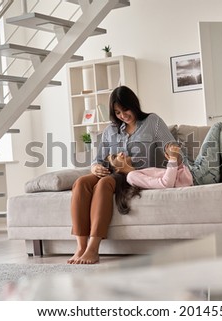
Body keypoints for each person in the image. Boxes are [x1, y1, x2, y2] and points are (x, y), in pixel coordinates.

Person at [67, 85, 175, 264]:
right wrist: (95, 168)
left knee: (104, 184)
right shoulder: (110, 130)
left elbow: (170, 145)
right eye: (117, 112)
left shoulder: (152, 121)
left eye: (126, 110)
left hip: (134, 175)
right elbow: (99, 159)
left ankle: (93, 248)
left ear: (134, 105)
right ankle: (80, 247)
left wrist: (174, 158)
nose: (123, 115)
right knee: (81, 182)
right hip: (111, 171)